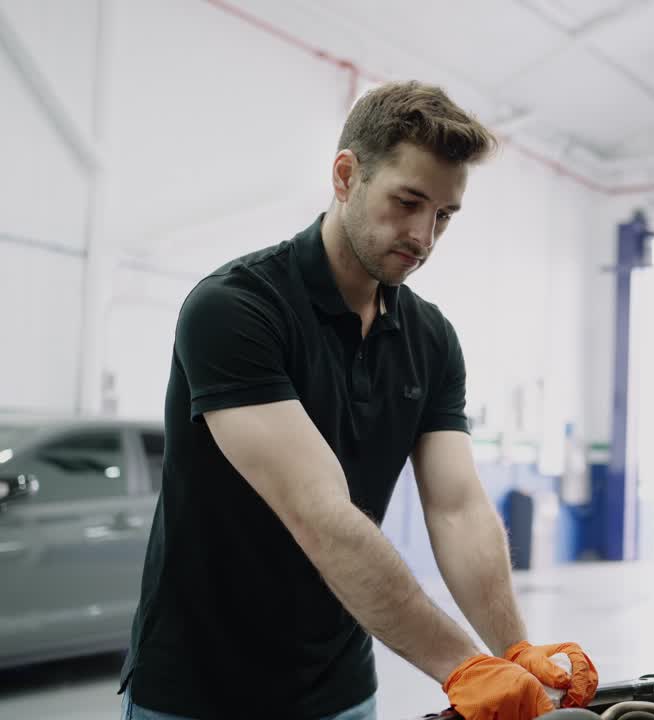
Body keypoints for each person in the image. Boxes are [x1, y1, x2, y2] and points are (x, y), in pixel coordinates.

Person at [117, 81, 597, 720]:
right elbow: (320, 513)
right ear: (346, 176)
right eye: (408, 202)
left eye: (445, 215)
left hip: (340, 690)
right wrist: (461, 665)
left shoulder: (430, 338)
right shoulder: (236, 309)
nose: (424, 236)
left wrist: (512, 646)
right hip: (200, 691)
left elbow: (457, 508)